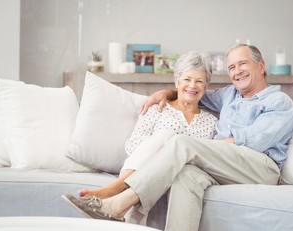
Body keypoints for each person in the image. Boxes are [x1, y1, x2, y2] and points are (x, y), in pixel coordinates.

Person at [63, 44, 293, 231]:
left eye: (242, 64)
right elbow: (193, 91)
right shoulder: (229, 95)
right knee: (186, 176)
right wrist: (165, 92)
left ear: (261, 66)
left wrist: (208, 149)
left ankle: (119, 200)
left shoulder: (279, 102)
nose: (237, 72)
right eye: (232, 67)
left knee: (182, 143)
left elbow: (254, 141)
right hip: (226, 166)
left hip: (260, 168)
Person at [63, 50, 217, 211]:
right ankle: (119, 190)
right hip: (143, 170)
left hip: (182, 177)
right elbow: (133, 146)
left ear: (206, 86)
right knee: (167, 136)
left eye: (199, 81)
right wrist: (162, 152)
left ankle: (114, 192)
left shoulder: (211, 122)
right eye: (187, 79)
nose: (192, 85)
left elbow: (208, 161)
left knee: (174, 141)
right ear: (177, 81)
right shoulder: (158, 109)